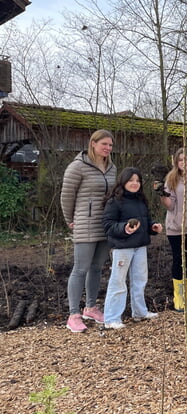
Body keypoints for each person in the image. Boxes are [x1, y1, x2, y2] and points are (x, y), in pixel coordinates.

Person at [61, 129, 117, 333]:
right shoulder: (77, 167)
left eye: (110, 145)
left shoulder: (111, 168)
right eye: (104, 144)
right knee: (80, 268)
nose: (107, 148)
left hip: (105, 224)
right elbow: (66, 196)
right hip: (85, 223)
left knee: (97, 268)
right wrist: (70, 220)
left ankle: (91, 307)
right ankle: (73, 314)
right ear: (93, 143)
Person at [102, 167, 162, 329]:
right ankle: (111, 318)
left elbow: (146, 221)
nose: (135, 183)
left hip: (140, 245)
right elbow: (108, 225)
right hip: (122, 247)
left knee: (140, 280)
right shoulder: (114, 201)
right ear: (123, 182)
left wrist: (153, 227)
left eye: (137, 181)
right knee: (118, 281)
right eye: (131, 180)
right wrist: (124, 229)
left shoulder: (141, 200)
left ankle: (140, 312)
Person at [158, 148, 187, 311]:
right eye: (180, 160)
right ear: (176, 162)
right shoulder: (171, 179)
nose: (183, 163)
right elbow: (170, 206)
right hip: (177, 227)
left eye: (186, 159)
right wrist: (163, 196)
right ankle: (178, 296)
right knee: (179, 260)